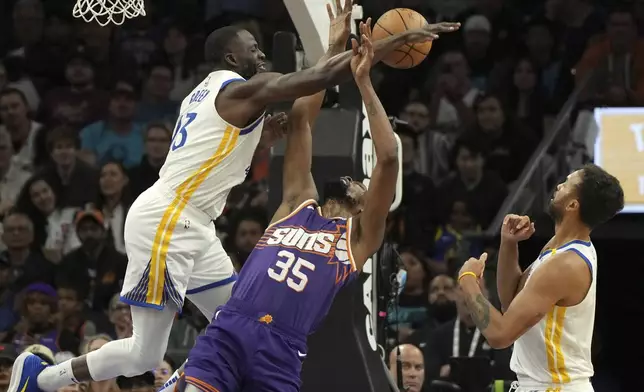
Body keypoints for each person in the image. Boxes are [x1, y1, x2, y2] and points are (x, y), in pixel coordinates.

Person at [8, 3, 460, 392]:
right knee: (146, 353)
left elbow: (268, 129)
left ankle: (192, 378)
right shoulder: (236, 88)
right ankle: (41, 377)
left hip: (194, 224)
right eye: (253, 48)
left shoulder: (213, 98)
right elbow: (310, 85)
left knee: (234, 317)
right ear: (230, 57)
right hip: (169, 219)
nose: (261, 54)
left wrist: (268, 130)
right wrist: (375, 47)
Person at [179, 20, 400, 392]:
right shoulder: (298, 203)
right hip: (230, 328)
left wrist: (363, 82)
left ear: (366, 206)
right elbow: (301, 119)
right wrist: (329, 52)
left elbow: (389, 157)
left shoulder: (358, 238)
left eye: (362, 183)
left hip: (280, 349)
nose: (355, 180)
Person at [456, 164, 624, 392]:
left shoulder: (565, 264)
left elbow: (499, 335)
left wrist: (467, 281)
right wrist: (509, 244)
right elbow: (511, 302)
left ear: (573, 204)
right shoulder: (558, 248)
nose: (559, 185)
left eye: (567, 184)